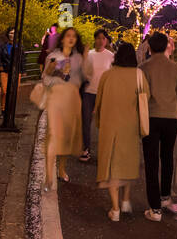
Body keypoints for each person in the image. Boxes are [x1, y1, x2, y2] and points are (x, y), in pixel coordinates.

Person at [93, 42, 148, 221]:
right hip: (131, 126)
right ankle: (125, 200)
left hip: (110, 126)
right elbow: (146, 98)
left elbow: (98, 102)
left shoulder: (107, 76)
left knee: (111, 166)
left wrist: (99, 121)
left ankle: (115, 208)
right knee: (127, 164)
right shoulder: (139, 75)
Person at [140, 31, 177, 220]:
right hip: (171, 117)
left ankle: (155, 209)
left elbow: (141, 96)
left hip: (151, 117)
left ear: (150, 47)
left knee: (151, 163)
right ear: (166, 46)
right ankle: (165, 196)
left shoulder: (143, 68)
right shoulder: (175, 68)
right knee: (167, 157)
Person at [41, 27, 85, 191]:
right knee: (53, 136)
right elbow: (45, 79)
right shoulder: (53, 57)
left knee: (67, 137)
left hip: (71, 101)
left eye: (74, 36)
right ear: (62, 39)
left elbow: (80, 80)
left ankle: (61, 169)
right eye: (68, 36)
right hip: (55, 100)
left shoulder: (78, 58)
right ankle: (48, 177)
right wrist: (59, 76)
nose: (71, 39)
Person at [80, 28, 115, 162]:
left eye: (103, 38)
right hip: (89, 91)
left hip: (104, 93)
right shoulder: (89, 54)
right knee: (86, 121)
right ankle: (86, 148)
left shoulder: (111, 56)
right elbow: (82, 71)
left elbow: (114, 74)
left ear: (106, 41)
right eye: (98, 38)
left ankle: (105, 151)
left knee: (105, 123)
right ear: (95, 39)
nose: (101, 41)